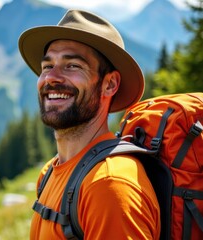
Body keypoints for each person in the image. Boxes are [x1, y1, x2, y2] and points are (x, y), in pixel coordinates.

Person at [18, 9, 160, 239]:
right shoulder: (49, 173)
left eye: (72, 65)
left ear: (110, 84)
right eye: (47, 66)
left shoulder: (109, 185)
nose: (51, 77)